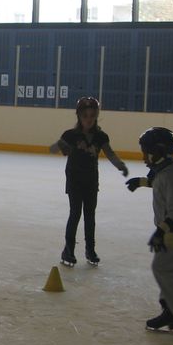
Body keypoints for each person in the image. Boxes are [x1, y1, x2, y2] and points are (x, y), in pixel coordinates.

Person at [126, 127, 173, 332]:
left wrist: (160, 232)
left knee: (161, 268)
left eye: (145, 152)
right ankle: (172, 311)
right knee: (172, 272)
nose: (143, 157)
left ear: (158, 151)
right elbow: (158, 183)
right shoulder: (165, 170)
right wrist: (140, 182)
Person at [49, 97, 128, 266]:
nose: (89, 119)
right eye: (85, 115)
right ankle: (68, 250)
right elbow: (53, 149)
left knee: (90, 216)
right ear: (79, 116)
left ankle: (90, 250)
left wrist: (120, 165)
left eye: (92, 115)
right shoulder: (70, 135)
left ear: (97, 115)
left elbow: (110, 153)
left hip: (91, 180)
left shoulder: (101, 136)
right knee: (75, 213)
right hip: (74, 180)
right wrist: (61, 146)